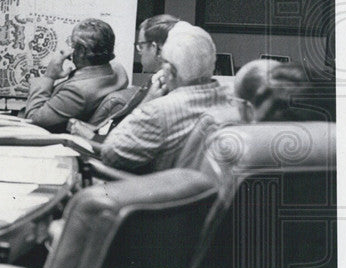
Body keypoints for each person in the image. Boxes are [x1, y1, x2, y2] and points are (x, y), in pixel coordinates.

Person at [100, 23, 243, 173]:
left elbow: (110, 153)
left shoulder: (157, 111)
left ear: (169, 70)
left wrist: (145, 104)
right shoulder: (236, 99)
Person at [66, 13, 180, 139]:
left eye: (141, 45)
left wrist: (92, 137)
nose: (139, 50)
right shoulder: (157, 81)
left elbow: (129, 144)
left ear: (154, 48)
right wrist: (95, 130)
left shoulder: (161, 89)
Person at [23, 18, 128, 131]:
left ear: (82, 51)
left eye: (72, 43)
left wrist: (49, 77)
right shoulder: (118, 70)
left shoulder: (77, 92)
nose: (70, 48)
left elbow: (32, 120)